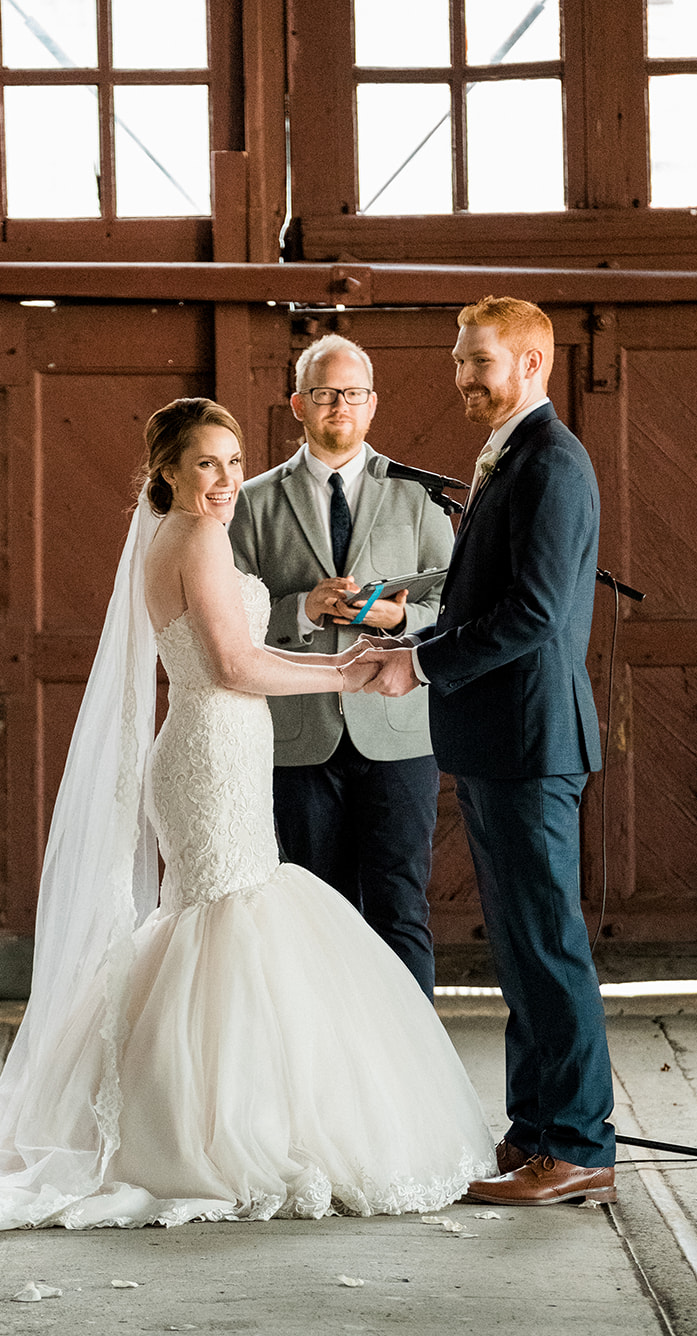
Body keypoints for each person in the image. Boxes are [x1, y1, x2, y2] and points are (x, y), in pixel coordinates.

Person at [0, 398, 493, 1234]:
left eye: (235, 462)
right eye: (206, 464)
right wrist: (349, 675)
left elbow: (237, 655)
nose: (227, 480)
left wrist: (342, 659)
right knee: (226, 919)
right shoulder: (196, 539)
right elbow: (234, 666)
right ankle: (199, 1132)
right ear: (165, 469)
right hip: (210, 745)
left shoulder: (180, 535)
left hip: (220, 742)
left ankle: (193, 1114)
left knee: (215, 923)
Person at [362, 298, 617, 1208]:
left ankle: (581, 1144)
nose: (463, 377)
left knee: (548, 946)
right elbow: (483, 593)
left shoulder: (551, 461)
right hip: (495, 737)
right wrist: (404, 635)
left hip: (531, 737)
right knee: (518, 945)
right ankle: (533, 1132)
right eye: (459, 361)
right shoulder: (514, 454)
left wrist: (418, 663)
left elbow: (536, 615)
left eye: (479, 362)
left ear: (533, 361)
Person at [229, 335, 452, 997]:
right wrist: (301, 610)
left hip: (397, 729)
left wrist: (400, 621)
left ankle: (413, 1070)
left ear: (372, 404)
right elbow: (224, 616)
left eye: (351, 393)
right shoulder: (252, 500)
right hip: (299, 736)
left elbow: (456, 602)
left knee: (399, 905)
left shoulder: (417, 495)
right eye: (324, 393)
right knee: (313, 909)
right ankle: (326, 1070)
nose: (338, 405)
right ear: (297, 403)